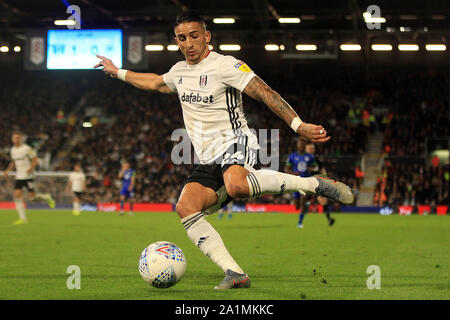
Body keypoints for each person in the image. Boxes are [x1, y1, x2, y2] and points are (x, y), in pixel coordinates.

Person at [94, 11, 353, 289]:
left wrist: (298, 125)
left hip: (236, 141)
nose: (189, 43)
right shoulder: (179, 72)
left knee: (237, 185)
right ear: (177, 42)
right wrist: (116, 71)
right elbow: (154, 82)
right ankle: (235, 272)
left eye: (194, 36)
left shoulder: (226, 65)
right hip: (208, 158)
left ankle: (312, 183)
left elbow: (264, 92)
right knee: (186, 208)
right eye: (182, 38)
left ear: (207, 36)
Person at [2, 131, 55, 224]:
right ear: (12, 139)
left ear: (21, 139)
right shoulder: (13, 150)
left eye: (17, 138)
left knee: (32, 198)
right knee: (16, 196)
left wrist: (31, 167)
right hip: (19, 176)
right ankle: (23, 219)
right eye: (14, 138)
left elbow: (35, 160)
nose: (15, 140)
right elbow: (13, 163)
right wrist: (7, 171)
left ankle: (46, 197)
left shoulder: (27, 149)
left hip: (28, 176)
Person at [285, 138, 316, 228]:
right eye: (299, 144)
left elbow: (315, 167)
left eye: (302, 144)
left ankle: (300, 222)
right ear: (297, 146)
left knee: (302, 201)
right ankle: (307, 205)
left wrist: (310, 169)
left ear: (305, 146)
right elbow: (287, 168)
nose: (301, 146)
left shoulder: (310, 157)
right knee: (296, 206)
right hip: (295, 182)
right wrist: (292, 173)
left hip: (305, 182)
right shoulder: (292, 157)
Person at [305, 142, 335, 226]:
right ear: (306, 149)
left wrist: (326, 178)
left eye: (312, 149)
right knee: (304, 200)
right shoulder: (302, 159)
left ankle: (329, 219)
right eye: (309, 149)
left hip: (317, 182)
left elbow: (322, 169)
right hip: (305, 182)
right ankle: (301, 219)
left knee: (323, 200)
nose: (311, 150)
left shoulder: (316, 159)